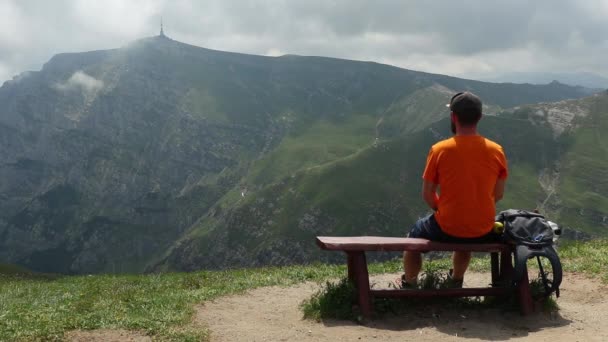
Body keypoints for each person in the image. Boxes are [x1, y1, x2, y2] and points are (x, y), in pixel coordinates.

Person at [401, 91, 508, 288]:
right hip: (483, 228)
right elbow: (498, 194)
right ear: (480, 117)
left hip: (447, 225)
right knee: (466, 240)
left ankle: (410, 283)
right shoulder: (496, 150)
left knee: (412, 239)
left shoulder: (440, 150)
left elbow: (427, 194)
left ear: (453, 117)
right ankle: (456, 280)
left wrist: (442, 208)